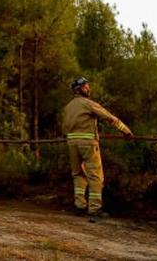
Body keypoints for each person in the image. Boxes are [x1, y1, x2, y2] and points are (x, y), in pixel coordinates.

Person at [61, 76, 133, 221]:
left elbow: (64, 127)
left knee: (78, 175)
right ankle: (94, 209)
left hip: (71, 143)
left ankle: (79, 206)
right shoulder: (88, 104)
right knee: (95, 176)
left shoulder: (68, 107)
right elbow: (109, 117)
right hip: (88, 143)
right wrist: (125, 130)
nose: (89, 89)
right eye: (86, 86)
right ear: (80, 89)